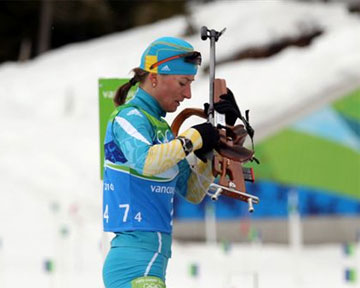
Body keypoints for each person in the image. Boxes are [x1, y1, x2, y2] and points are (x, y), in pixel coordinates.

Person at [102, 36, 241, 288]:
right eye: (182, 82)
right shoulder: (128, 117)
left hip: (151, 260)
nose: (187, 94)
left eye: (190, 84)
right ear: (154, 77)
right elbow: (145, 160)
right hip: (135, 261)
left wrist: (213, 146)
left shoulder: (163, 129)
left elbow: (192, 191)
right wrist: (193, 137)